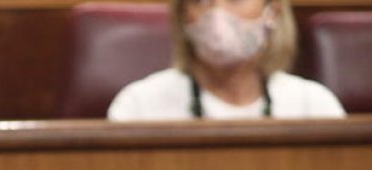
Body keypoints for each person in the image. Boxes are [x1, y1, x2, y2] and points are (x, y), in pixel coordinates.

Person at [107, 0, 345, 121]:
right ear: (182, 16)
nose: (216, 14)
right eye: (200, 1)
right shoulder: (139, 106)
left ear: (272, 11)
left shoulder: (313, 106)